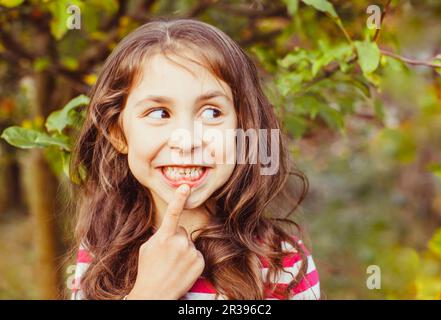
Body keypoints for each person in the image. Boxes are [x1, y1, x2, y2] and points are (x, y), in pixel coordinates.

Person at [69, 18, 320, 300]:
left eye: (212, 113)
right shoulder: (99, 254)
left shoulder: (283, 265)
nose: (186, 141)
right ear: (119, 134)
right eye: (159, 113)